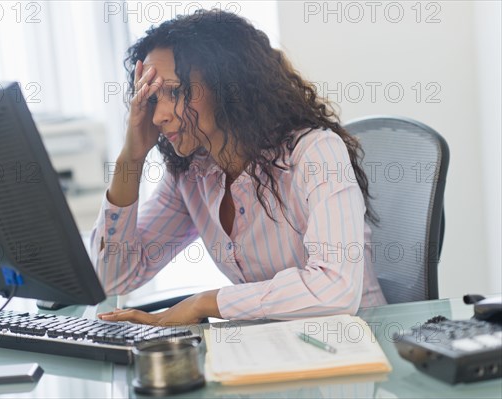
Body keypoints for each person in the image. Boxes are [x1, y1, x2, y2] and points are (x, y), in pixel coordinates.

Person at [92, 9, 386, 326]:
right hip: (270, 350)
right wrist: (130, 159)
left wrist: (205, 303)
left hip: (359, 348)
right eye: (152, 98)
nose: (158, 115)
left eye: (175, 92)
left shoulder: (314, 152)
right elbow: (112, 278)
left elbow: (335, 289)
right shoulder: (191, 175)